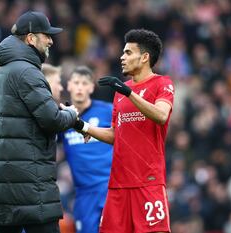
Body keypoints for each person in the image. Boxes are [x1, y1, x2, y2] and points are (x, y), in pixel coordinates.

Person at [74, 29, 175, 233]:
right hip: (118, 185)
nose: (122, 57)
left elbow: (161, 115)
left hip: (148, 183)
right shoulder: (120, 93)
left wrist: (129, 93)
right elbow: (115, 135)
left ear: (145, 57)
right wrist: (82, 126)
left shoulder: (162, 84)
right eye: (122, 52)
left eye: (128, 52)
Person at [0, 11, 79, 233]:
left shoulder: (3, 71)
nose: (50, 40)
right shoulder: (27, 71)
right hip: (30, 181)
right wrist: (72, 114)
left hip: (6, 180)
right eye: (46, 35)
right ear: (30, 38)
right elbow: (52, 120)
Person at [60, 66, 113, 233]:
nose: (80, 87)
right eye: (76, 83)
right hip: (84, 194)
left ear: (91, 87)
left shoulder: (108, 111)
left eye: (84, 83)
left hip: (110, 189)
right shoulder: (61, 117)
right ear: (69, 86)